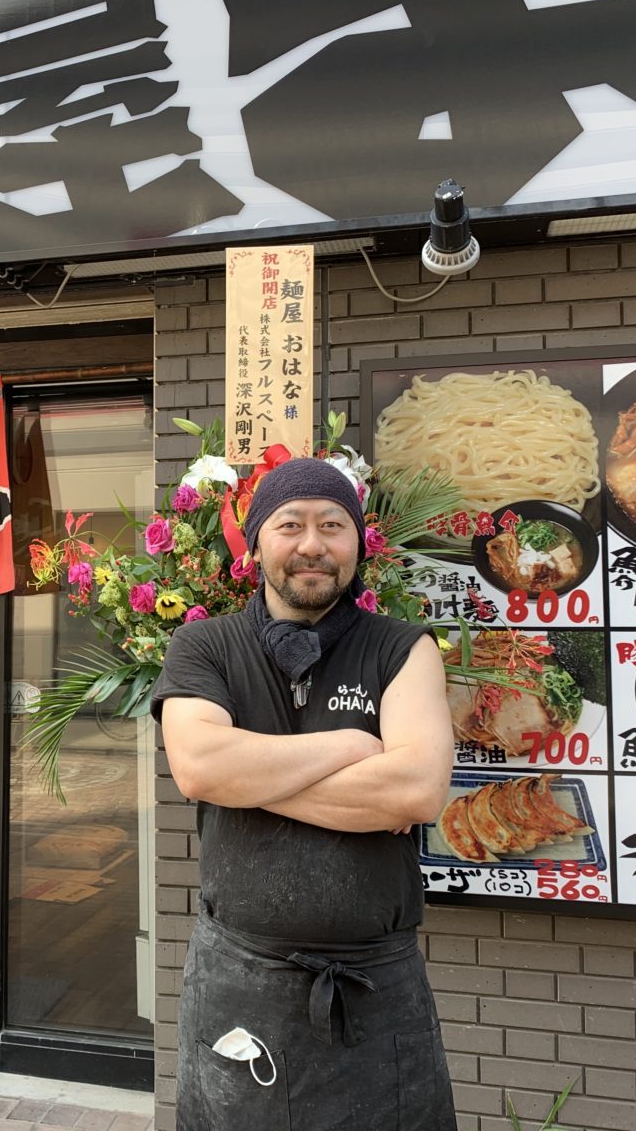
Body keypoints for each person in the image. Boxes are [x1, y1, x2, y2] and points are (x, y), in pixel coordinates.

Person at [151, 456, 457, 1131]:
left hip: (378, 990)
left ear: (357, 545)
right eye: (290, 525)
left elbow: (416, 790)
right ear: (257, 542)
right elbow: (200, 767)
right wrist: (353, 746)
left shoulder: (403, 648)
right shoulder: (203, 645)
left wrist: (250, 775)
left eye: (333, 525)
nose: (312, 544)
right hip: (239, 980)